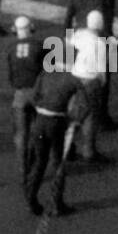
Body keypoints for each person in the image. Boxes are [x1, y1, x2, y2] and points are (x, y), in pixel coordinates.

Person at [25, 61, 84, 217]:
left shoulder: (45, 75)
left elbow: (33, 97)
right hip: (57, 123)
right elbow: (84, 105)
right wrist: (75, 122)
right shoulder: (74, 80)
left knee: (39, 162)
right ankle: (57, 204)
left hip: (40, 122)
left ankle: (31, 199)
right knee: (57, 162)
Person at [68, 11, 111, 161]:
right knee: (90, 117)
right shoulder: (100, 44)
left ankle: (67, 147)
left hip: (75, 77)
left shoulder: (79, 35)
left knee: (73, 112)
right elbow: (101, 71)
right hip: (90, 80)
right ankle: (89, 150)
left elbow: (71, 45)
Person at [8, 16, 42, 179]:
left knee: (21, 134)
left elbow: (11, 74)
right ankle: (36, 164)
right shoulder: (39, 46)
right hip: (36, 93)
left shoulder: (10, 48)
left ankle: (23, 169)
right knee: (38, 131)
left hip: (20, 94)